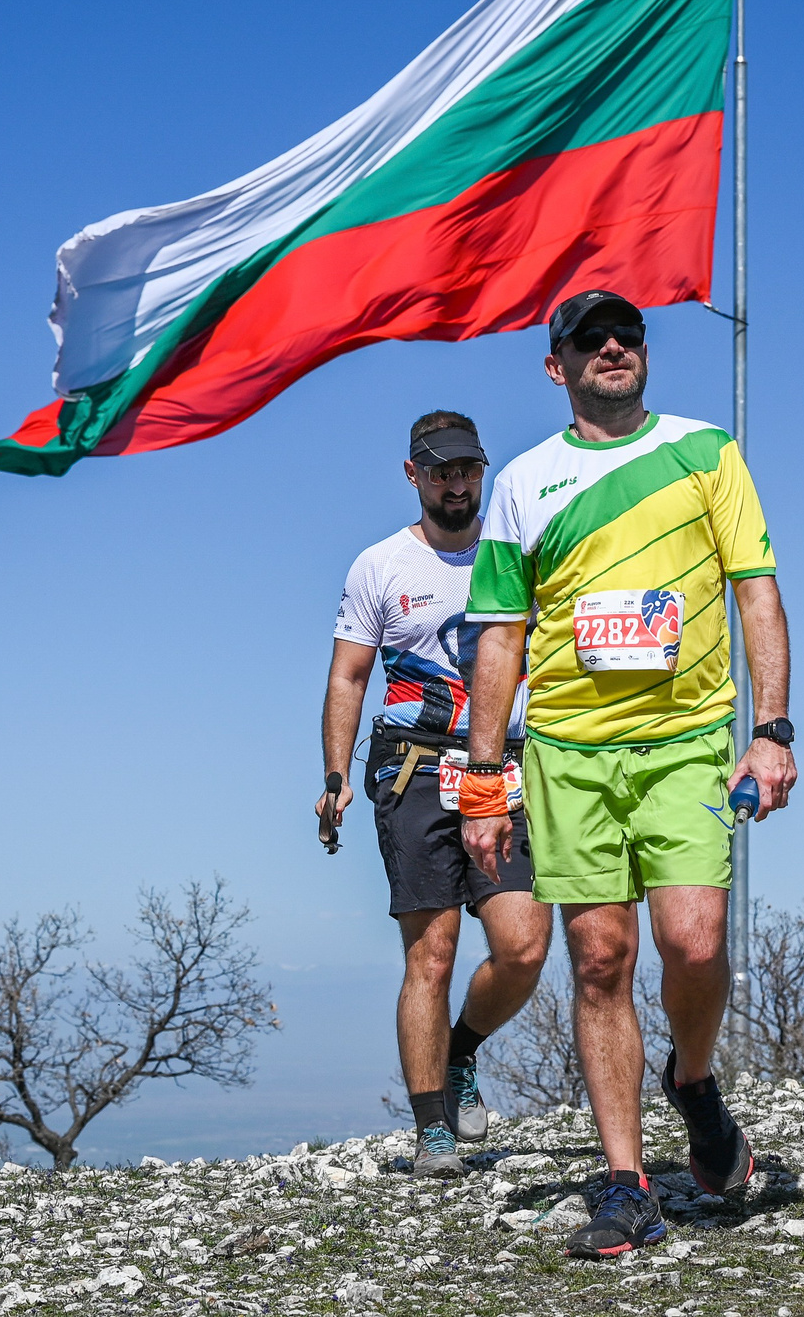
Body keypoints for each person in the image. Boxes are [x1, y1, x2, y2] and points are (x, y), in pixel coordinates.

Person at [460, 292, 797, 1259]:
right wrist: (487, 777)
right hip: (566, 751)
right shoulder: (523, 481)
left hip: (687, 739)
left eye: (628, 334)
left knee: (693, 943)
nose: (614, 347)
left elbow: (757, 593)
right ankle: (626, 1182)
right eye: (589, 339)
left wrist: (769, 729)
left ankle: (692, 1081)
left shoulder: (706, 451)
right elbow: (500, 636)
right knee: (600, 961)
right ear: (555, 365)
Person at [317, 411, 553, 1179]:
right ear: (413, 473)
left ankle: (459, 1052)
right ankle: (432, 1134)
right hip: (413, 766)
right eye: (441, 469)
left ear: (483, 472)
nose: (456, 482)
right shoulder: (379, 565)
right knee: (433, 949)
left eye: (468, 469)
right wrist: (334, 778)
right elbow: (349, 676)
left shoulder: (516, 555)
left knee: (522, 945)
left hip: (506, 766)